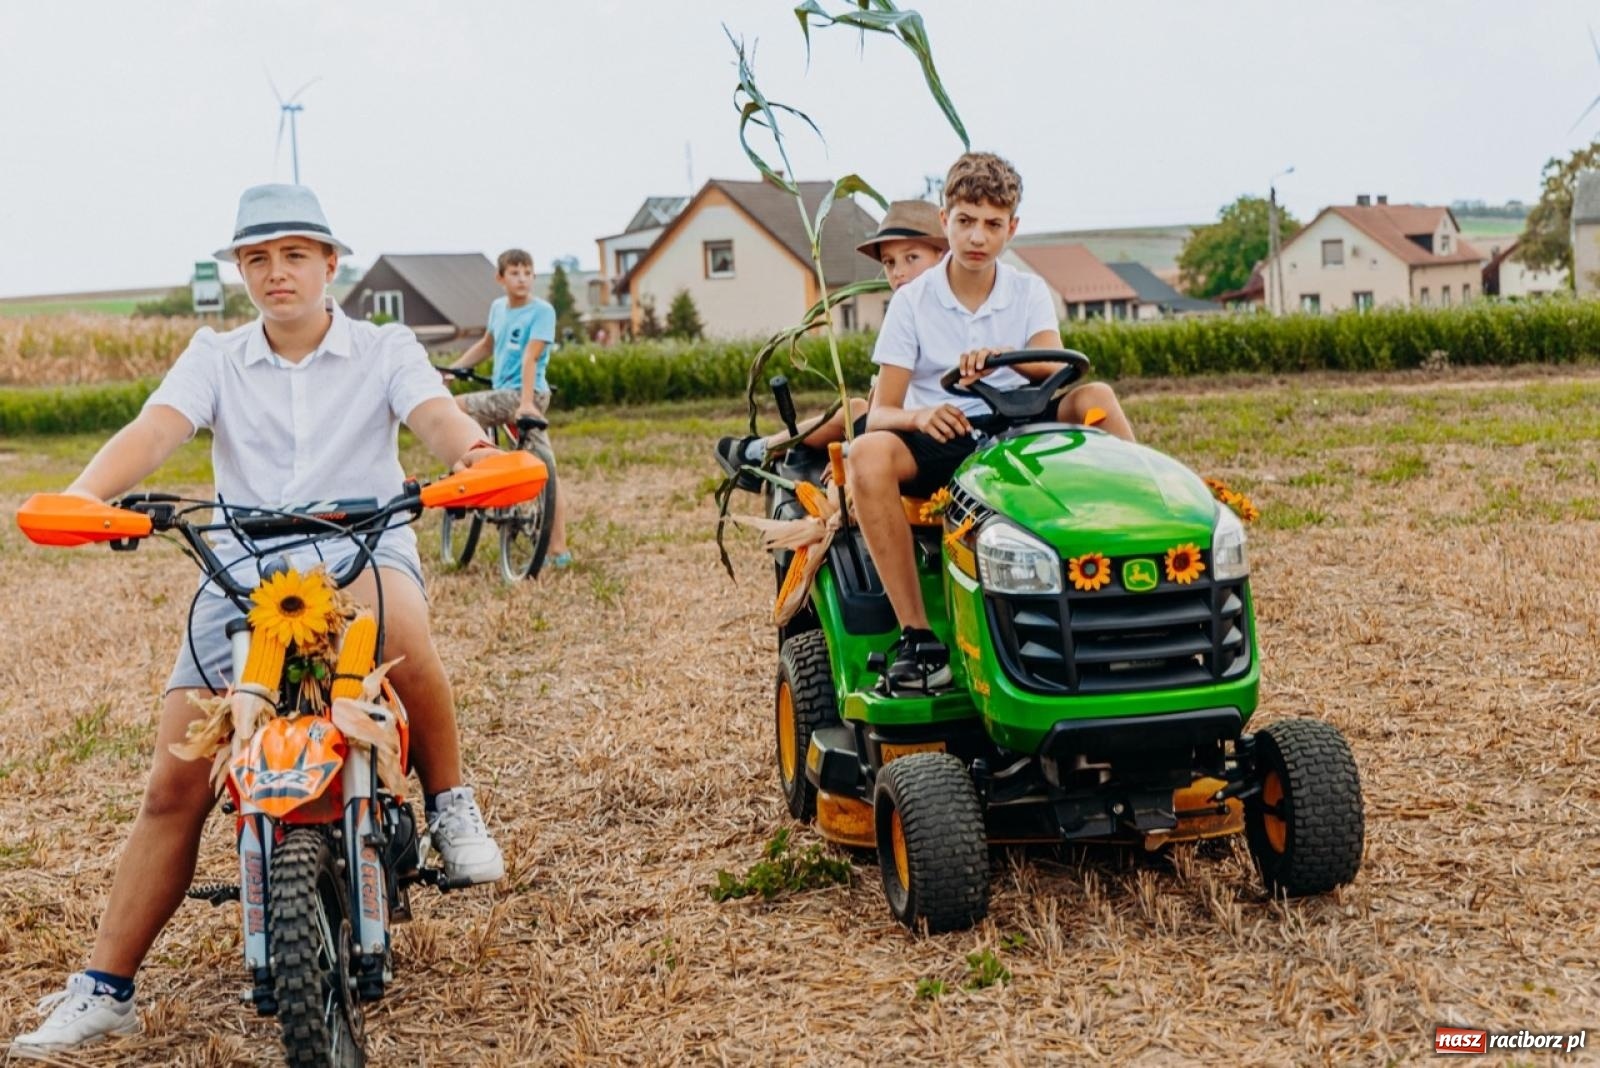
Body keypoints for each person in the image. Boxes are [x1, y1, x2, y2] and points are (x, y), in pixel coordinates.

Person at [11, 184, 509, 1059]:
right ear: (240, 271)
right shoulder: (215, 356)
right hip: (243, 569)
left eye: (293, 256)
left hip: (362, 550)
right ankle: (106, 988)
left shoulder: (383, 348)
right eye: (257, 259)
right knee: (173, 783)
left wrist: (471, 454)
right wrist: (86, 496)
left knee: (401, 633)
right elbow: (154, 428)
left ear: (329, 265)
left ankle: (451, 801)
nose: (276, 273)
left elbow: (436, 416)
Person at [846, 152, 1136, 693]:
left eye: (993, 224)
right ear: (945, 222)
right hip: (946, 433)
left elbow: (1052, 362)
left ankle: (1134, 548)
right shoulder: (912, 302)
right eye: (966, 221)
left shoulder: (1026, 292)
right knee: (865, 453)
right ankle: (918, 635)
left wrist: (1006, 355)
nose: (978, 236)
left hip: (1022, 429)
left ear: (1012, 228)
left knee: (1095, 396)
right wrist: (921, 413)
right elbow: (880, 411)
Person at [715, 200, 948, 489]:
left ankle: (757, 451)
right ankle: (764, 449)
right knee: (854, 409)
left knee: (853, 412)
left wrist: (855, 454)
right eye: (889, 262)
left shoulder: (943, 311)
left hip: (920, 433)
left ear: (942, 255)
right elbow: (883, 399)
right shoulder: (906, 309)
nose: (898, 272)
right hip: (898, 421)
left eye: (911, 258)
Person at [440, 249, 571, 567]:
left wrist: (526, 404)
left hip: (525, 396)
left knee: (451, 407)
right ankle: (559, 550)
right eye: (514, 272)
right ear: (500, 278)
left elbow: (531, 357)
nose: (522, 278)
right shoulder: (498, 308)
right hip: (505, 395)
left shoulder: (542, 312)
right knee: (545, 468)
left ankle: (462, 473)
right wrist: (451, 371)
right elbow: (486, 345)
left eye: (528, 272)